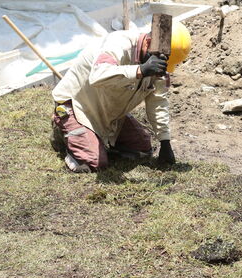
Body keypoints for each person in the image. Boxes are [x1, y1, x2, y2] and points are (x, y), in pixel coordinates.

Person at [50, 22, 191, 172]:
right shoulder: (118, 44)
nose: (160, 71)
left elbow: (157, 101)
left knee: (142, 149)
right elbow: (98, 76)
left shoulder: (157, 57)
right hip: (78, 107)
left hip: (108, 111)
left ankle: (95, 139)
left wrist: (164, 141)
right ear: (148, 43)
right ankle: (63, 131)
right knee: (92, 162)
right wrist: (140, 70)